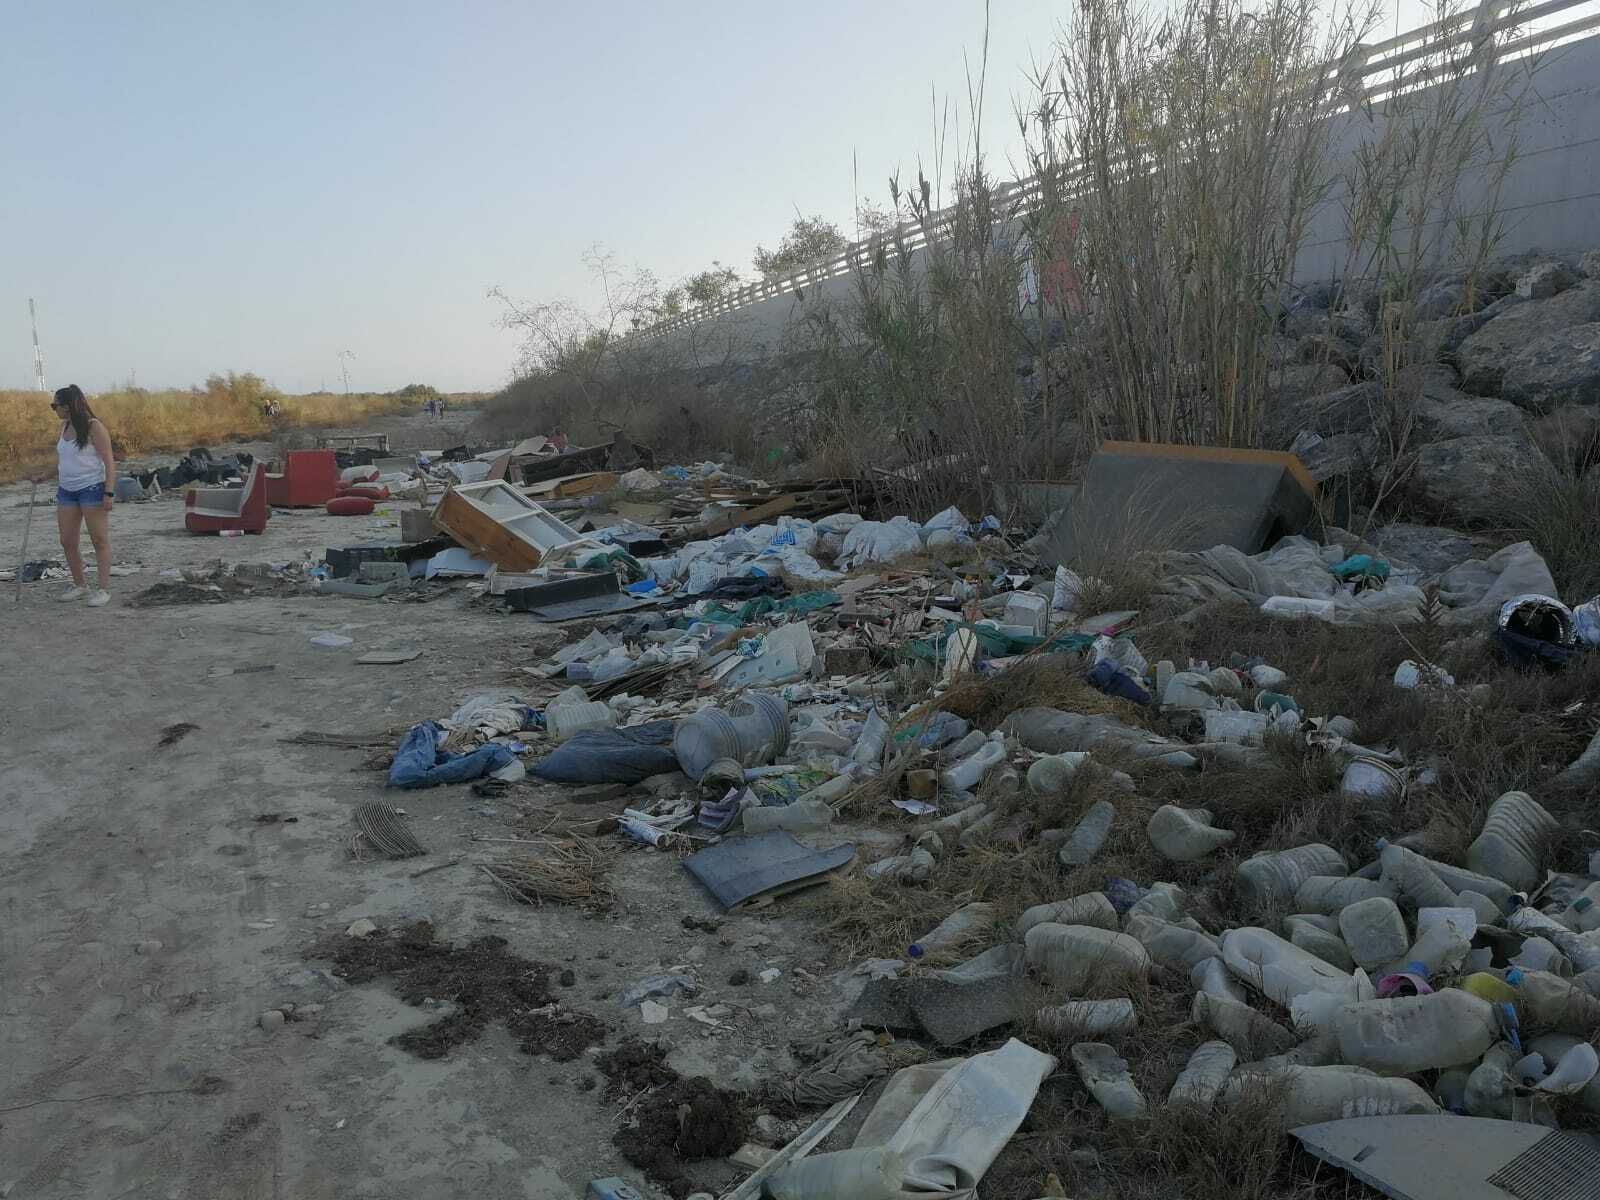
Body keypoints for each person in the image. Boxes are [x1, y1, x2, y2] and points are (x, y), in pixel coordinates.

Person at [47, 384, 116, 606]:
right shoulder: (64, 426)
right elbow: (64, 460)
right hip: (66, 490)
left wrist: (109, 492)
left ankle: (103, 589)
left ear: (67, 406)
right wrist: (44, 475)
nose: (54, 409)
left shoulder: (94, 426)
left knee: (99, 539)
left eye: (54, 405)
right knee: (67, 541)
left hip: (91, 488)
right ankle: (80, 585)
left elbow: (109, 462)